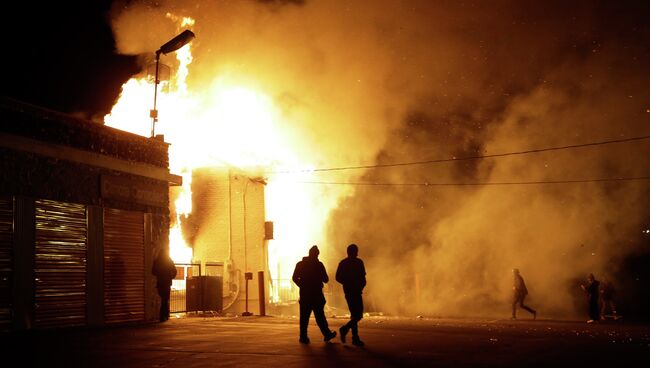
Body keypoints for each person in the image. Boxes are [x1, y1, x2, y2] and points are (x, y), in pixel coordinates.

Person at [292, 245, 337, 344]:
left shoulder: (300, 264)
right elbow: (326, 279)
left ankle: (303, 337)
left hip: (305, 295)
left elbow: (294, 278)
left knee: (304, 317)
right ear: (316, 254)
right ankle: (327, 334)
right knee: (320, 317)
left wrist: (302, 285)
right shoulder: (319, 265)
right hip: (317, 295)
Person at [335, 243, 367, 346]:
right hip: (356, 291)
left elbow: (338, 277)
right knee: (358, 315)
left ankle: (354, 337)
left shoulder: (343, 263)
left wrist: (346, 283)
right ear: (355, 252)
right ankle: (346, 330)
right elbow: (363, 277)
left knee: (354, 315)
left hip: (348, 291)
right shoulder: (358, 262)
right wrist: (360, 286)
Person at [152, 247, 177, 322]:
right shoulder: (169, 261)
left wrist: (159, 274)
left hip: (160, 282)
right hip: (167, 282)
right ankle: (164, 315)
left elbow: (153, 272)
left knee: (164, 298)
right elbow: (175, 271)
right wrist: (171, 276)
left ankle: (164, 315)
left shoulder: (157, 261)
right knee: (165, 299)